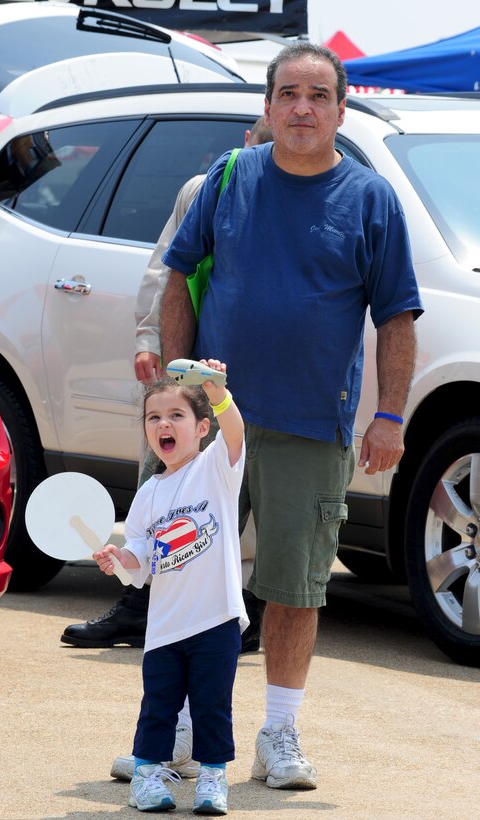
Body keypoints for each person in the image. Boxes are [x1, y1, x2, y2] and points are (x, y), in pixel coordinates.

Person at [160, 42, 424, 791]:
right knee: (186, 574)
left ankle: (279, 732)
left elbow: (397, 316)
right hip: (212, 423)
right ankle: (177, 728)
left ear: (340, 109)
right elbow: (179, 274)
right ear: (268, 107)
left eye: (317, 95)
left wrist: (390, 415)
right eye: (287, 94)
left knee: (294, 587)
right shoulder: (230, 177)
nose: (301, 108)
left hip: (312, 425)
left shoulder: (370, 199)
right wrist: (179, 389)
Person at [61, 117, 273, 657]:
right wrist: (148, 339)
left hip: (278, 378)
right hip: (198, 365)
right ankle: (139, 603)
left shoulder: (319, 194)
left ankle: (247, 611)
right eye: (261, 142)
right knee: (164, 474)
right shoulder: (206, 191)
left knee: (249, 489)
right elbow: (165, 269)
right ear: (246, 142)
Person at [93, 359, 246, 814]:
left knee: (212, 706)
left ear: (201, 428)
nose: (164, 424)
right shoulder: (148, 494)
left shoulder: (217, 468)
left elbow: (235, 430)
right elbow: (139, 563)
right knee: (158, 705)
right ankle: (146, 777)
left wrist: (217, 391)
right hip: (164, 629)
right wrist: (118, 559)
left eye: (176, 416)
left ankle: (213, 780)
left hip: (216, 619)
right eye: (154, 417)